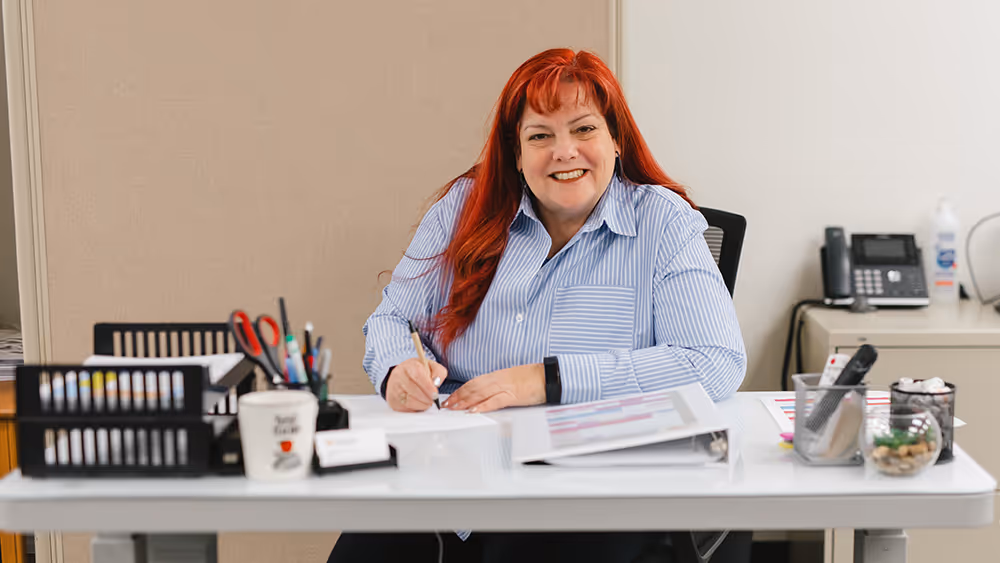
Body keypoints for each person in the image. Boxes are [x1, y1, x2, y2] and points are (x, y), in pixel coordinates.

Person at [330, 48, 747, 563]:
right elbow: (393, 318)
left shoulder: (664, 223)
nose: (564, 151)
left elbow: (714, 360)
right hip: (452, 470)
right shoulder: (464, 208)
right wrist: (397, 368)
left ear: (616, 138)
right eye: (540, 135)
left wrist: (545, 380)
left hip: (589, 483)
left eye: (584, 130)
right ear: (517, 151)